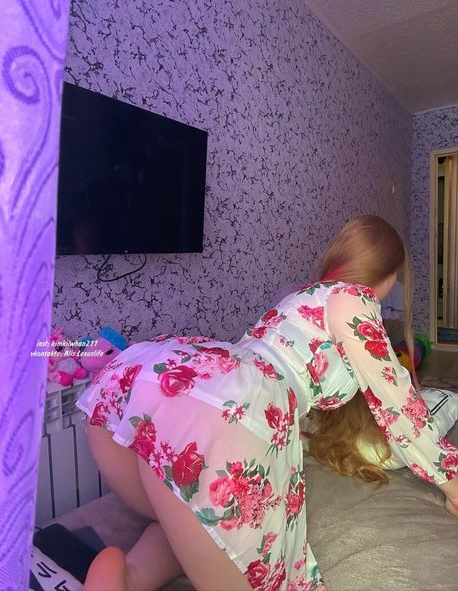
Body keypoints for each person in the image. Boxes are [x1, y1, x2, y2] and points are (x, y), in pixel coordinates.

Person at [77, 215, 458, 591]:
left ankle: (126, 577)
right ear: (390, 274)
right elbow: (400, 407)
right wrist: (453, 485)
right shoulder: (354, 298)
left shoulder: (298, 299)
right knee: (247, 561)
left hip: (141, 384)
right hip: (220, 411)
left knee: (186, 519)